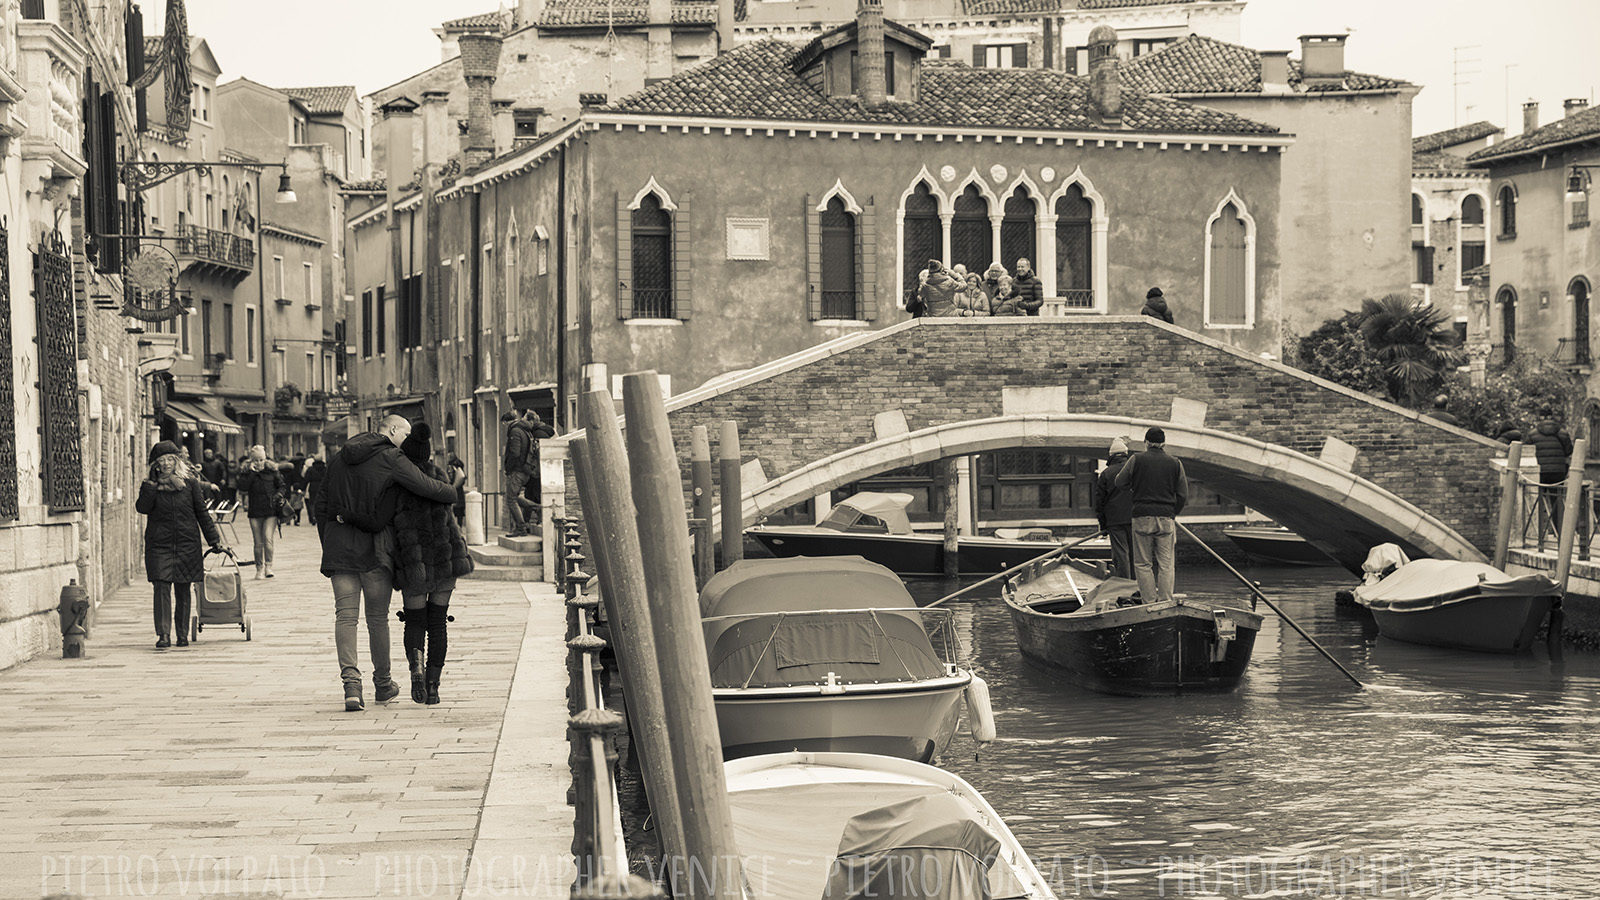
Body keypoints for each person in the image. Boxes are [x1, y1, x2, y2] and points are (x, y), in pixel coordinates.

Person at [315, 415, 456, 711]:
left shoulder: (340, 458)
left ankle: (352, 686)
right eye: (405, 434)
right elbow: (426, 486)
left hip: (339, 548)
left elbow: (321, 504)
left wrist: (328, 543)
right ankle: (383, 684)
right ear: (393, 430)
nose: (408, 442)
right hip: (375, 550)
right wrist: (452, 491)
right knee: (377, 619)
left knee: (345, 616)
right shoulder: (392, 457)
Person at [393, 424, 475, 705]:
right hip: (444, 558)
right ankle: (433, 686)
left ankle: (416, 670)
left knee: (414, 622)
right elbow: (449, 517)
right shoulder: (439, 477)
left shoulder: (397, 481)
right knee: (438, 624)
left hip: (413, 561)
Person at [136, 442, 229, 650]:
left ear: (177, 461)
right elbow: (142, 508)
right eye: (161, 461)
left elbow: (202, 513)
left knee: (183, 589)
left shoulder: (191, 483)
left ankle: (182, 634)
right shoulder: (150, 485)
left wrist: (214, 539)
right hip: (159, 544)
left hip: (187, 543)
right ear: (156, 465)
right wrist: (151, 485)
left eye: (170, 459)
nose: (166, 464)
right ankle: (163, 634)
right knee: (161, 587)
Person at [1114, 427, 1189, 604]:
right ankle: (1164, 601)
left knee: (1142, 564)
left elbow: (1119, 482)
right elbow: (1183, 494)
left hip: (1142, 517)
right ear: (1164, 444)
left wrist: (1134, 488)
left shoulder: (1136, 459)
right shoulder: (1175, 463)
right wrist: (1173, 513)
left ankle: (1149, 602)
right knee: (1166, 564)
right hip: (1165, 518)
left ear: (1146, 443)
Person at [236, 445, 286, 579]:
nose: (259, 463)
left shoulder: (272, 470)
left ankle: (269, 566)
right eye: (256, 460)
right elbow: (242, 487)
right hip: (255, 511)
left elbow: (281, 486)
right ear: (251, 460)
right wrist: (252, 473)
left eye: (261, 459)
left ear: (265, 458)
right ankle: (259, 568)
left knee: (268, 538)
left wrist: (278, 495)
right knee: (258, 542)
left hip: (271, 510)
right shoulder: (246, 472)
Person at [1092, 437, 1135, 580]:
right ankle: (1137, 588)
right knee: (1136, 553)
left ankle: (1124, 587)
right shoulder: (1135, 471)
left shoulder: (1106, 473)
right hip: (1135, 518)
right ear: (1126, 454)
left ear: (1111, 456)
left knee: (1121, 554)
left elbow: (1099, 502)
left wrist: (1103, 526)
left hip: (1115, 521)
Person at [1528, 412, 1574, 534]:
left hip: (1540, 471)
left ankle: (1539, 533)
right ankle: (1559, 531)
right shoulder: (1562, 432)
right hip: (1558, 471)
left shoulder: (1532, 433)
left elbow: (1527, 451)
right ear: (1552, 417)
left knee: (1538, 500)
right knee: (1557, 500)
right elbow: (1569, 451)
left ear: (1540, 417)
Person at [304, 456, 327, 526]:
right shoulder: (325, 469)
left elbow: (306, 479)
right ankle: (321, 516)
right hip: (323, 486)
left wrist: (303, 488)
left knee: (312, 502)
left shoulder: (311, 469)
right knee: (322, 501)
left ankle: (313, 516)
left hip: (313, 487)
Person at [448, 455, 468, 526]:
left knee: (453, 513)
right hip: (459, 493)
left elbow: (452, 479)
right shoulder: (459, 469)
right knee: (459, 515)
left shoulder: (454, 468)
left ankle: (457, 529)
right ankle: (459, 528)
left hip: (455, 493)